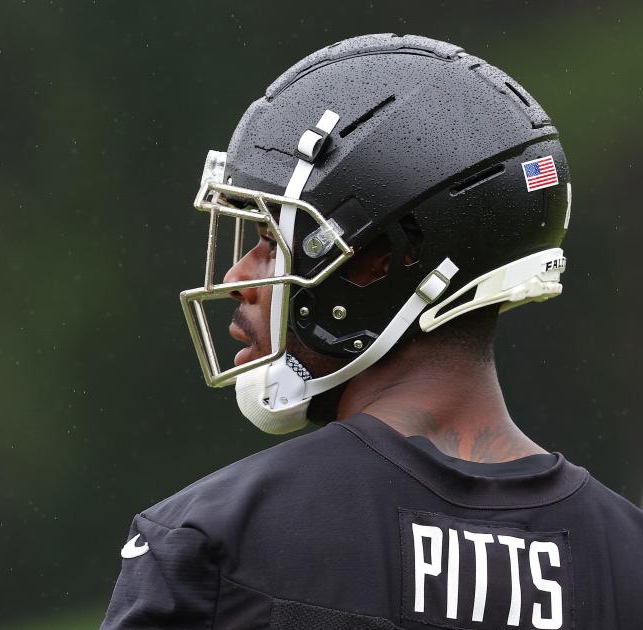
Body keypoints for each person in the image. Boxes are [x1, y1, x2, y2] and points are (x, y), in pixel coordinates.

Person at [101, 34, 643, 629]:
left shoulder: (220, 538)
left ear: (374, 260)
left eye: (266, 242)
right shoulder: (626, 559)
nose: (237, 278)